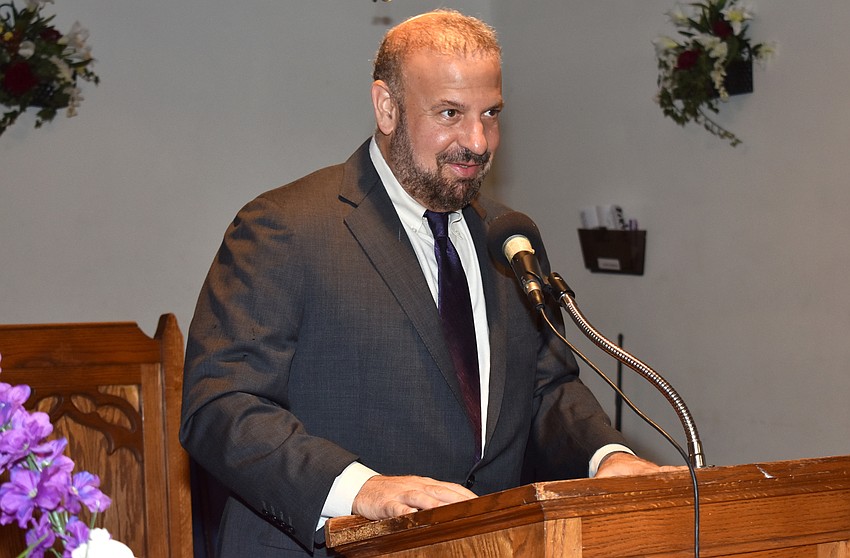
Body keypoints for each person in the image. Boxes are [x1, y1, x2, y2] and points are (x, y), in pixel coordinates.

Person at [180, 9, 670, 557]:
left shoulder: (508, 238)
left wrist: (607, 456)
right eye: (450, 113)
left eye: (490, 114)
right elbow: (220, 404)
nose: (478, 141)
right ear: (387, 108)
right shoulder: (286, 227)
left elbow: (544, 389)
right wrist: (360, 488)